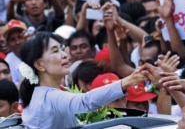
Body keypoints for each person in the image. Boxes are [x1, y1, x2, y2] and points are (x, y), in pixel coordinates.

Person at [18, 31, 148, 128]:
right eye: (55, 51)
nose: (64, 55)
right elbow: (85, 102)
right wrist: (127, 81)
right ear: (39, 64)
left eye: (62, 49)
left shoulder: (41, 94)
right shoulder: (50, 96)